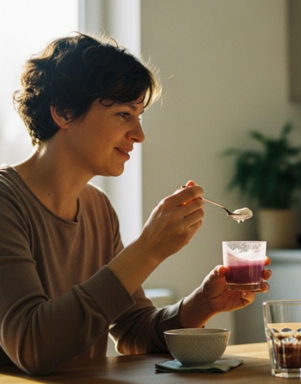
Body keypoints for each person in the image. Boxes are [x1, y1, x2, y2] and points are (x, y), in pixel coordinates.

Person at [0, 33, 271, 375]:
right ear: (64, 112)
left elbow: (132, 332)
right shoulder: (5, 203)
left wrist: (201, 304)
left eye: (139, 115)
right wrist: (148, 250)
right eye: (124, 114)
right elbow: (32, 346)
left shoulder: (98, 208)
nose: (139, 134)